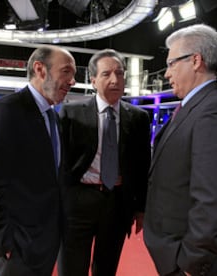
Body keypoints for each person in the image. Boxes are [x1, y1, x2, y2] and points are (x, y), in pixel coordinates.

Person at [143, 24, 217, 276]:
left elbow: (215, 201)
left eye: (171, 64)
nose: (166, 74)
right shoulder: (196, 107)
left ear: (195, 60)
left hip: (190, 261)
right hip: (174, 250)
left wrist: (192, 265)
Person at [0, 45, 76, 276]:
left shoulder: (53, 117)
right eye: (66, 71)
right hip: (18, 249)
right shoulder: (5, 111)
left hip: (46, 243)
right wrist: (2, 244)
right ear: (40, 69)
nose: (73, 81)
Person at [57, 48, 151, 276]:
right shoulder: (70, 113)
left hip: (117, 203)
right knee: (71, 268)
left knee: (106, 268)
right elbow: (60, 163)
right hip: (78, 201)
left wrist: (140, 209)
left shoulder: (139, 118)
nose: (115, 79)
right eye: (107, 74)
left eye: (120, 73)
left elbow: (142, 167)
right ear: (93, 80)